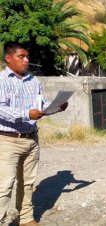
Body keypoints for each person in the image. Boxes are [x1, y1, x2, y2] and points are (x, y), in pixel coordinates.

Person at [0, 42, 68, 226]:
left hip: (31, 139)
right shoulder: (2, 80)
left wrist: (55, 107)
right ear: (8, 58)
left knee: (28, 183)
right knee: (4, 186)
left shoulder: (33, 80)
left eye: (27, 57)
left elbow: (42, 104)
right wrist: (25, 114)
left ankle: (26, 218)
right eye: (21, 56)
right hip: (7, 140)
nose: (26, 60)